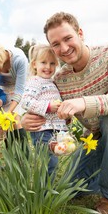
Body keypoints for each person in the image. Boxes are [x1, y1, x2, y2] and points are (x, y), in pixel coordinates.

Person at [21, 11, 108, 214]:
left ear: (80, 33)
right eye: (56, 44)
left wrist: (83, 102)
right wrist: (25, 119)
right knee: (73, 189)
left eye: (68, 38)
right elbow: (52, 107)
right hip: (94, 140)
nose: (63, 48)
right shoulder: (60, 78)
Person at [21, 44, 68, 177]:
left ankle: (48, 188)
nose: (48, 67)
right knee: (49, 161)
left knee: (53, 160)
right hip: (41, 129)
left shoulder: (51, 82)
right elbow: (26, 102)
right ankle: (45, 192)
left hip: (51, 129)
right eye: (43, 62)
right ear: (34, 64)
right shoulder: (35, 82)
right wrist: (48, 106)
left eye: (52, 63)